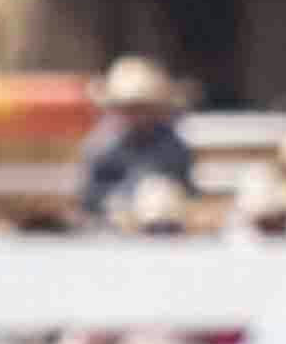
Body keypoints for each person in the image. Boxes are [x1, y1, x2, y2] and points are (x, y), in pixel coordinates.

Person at [72, 57, 195, 222]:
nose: (138, 116)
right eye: (130, 109)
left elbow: (187, 190)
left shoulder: (173, 146)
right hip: (110, 229)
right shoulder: (100, 147)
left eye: (144, 108)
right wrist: (121, 205)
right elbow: (90, 198)